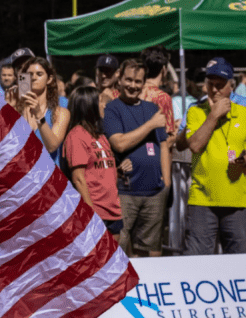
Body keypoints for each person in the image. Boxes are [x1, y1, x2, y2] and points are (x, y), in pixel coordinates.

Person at [178, 57, 246, 255]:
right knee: (197, 261)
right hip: (202, 200)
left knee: (239, 261)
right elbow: (195, 145)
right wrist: (213, 115)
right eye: (211, 84)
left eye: (220, 85)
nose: (215, 90)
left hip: (236, 200)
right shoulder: (195, 111)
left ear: (231, 86)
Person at [103, 60, 170, 256]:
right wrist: (151, 125)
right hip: (125, 192)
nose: (133, 85)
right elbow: (119, 143)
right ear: (120, 80)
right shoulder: (112, 109)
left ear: (143, 83)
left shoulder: (152, 109)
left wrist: (166, 182)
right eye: (129, 80)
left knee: (148, 250)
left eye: (138, 81)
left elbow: (163, 145)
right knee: (120, 248)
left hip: (154, 191)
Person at [64, 85, 123, 239]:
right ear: (88, 106)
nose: (104, 105)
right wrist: (91, 214)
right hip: (95, 211)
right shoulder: (76, 135)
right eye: (100, 101)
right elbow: (78, 178)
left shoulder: (100, 136)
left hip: (112, 210)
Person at [10, 56, 69, 165]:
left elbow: (52, 146)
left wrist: (39, 116)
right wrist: (8, 110)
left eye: (39, 74)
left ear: (49, 79)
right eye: (30, 74)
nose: (33, 78)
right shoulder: (17, 109)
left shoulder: (60, 112)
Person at [139, 46, 176, 140]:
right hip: (154, 146)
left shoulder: (133, 91)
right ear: (164, 69)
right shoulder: (163, 97)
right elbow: (168, 134)